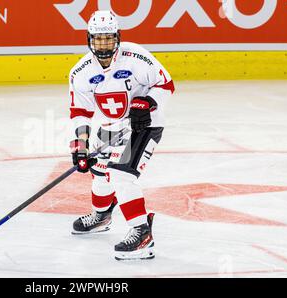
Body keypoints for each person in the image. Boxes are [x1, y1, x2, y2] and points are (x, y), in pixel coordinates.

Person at [68, 10, 175, 260]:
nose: (103, 44)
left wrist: (147, 102)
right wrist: (80, 146)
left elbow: (166, 84)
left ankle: (141, 231)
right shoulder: (81, 71)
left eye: (108, 38)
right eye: (98, 39)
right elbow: (80, 111)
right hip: (110, 126)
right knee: (100, 175)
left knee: (120, 175)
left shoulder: (136, 57)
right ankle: (102, 216)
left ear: (117, 37)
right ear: (89, 39)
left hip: (144, 125)